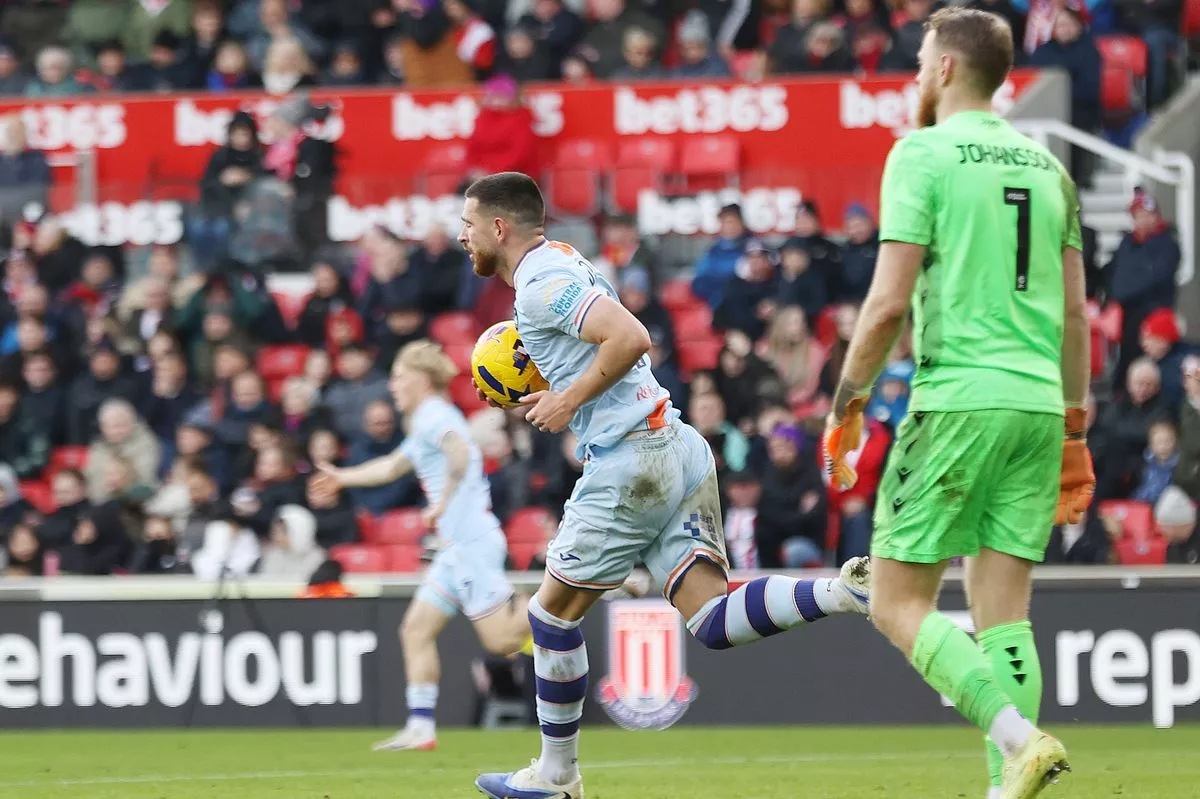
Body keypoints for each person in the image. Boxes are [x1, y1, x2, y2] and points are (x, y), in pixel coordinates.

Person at [459, 172, 869, 799]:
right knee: (710, 619)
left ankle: (558, 776)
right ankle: (846, 591)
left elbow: (630, 337)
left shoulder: (542, 282)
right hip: (674, 445)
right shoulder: (563, 261)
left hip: (631, 462)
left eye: (468, 225)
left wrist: (569, 398)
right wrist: (562, 381)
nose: (462, 237)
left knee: (548, 617)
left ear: (497, 226)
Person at [821, 10, 1090, 798]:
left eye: (917, 62)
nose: (913, 75)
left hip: (959, 399)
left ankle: (1020, 742)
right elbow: (1076, 315)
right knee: (1005, 615)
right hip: (1039, 406)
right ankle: (1010, 784)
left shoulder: (921, 154)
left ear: (942, 69)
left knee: (895, 599)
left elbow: (884, 305)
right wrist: (1074, 424)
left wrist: (848, 406)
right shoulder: (1051, 169)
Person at [311, 340, 533, 752]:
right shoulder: (423, 423)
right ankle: (421, 727)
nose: (392, 386)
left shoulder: (436, 416)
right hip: (453, 549)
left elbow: (460, 454)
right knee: (415, 629)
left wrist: (444, 501)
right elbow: (392, 467)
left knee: (501, 641)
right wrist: (343, 477)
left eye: (398, 376)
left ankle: (575, 591)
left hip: (469, 542)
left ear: (422, 379)